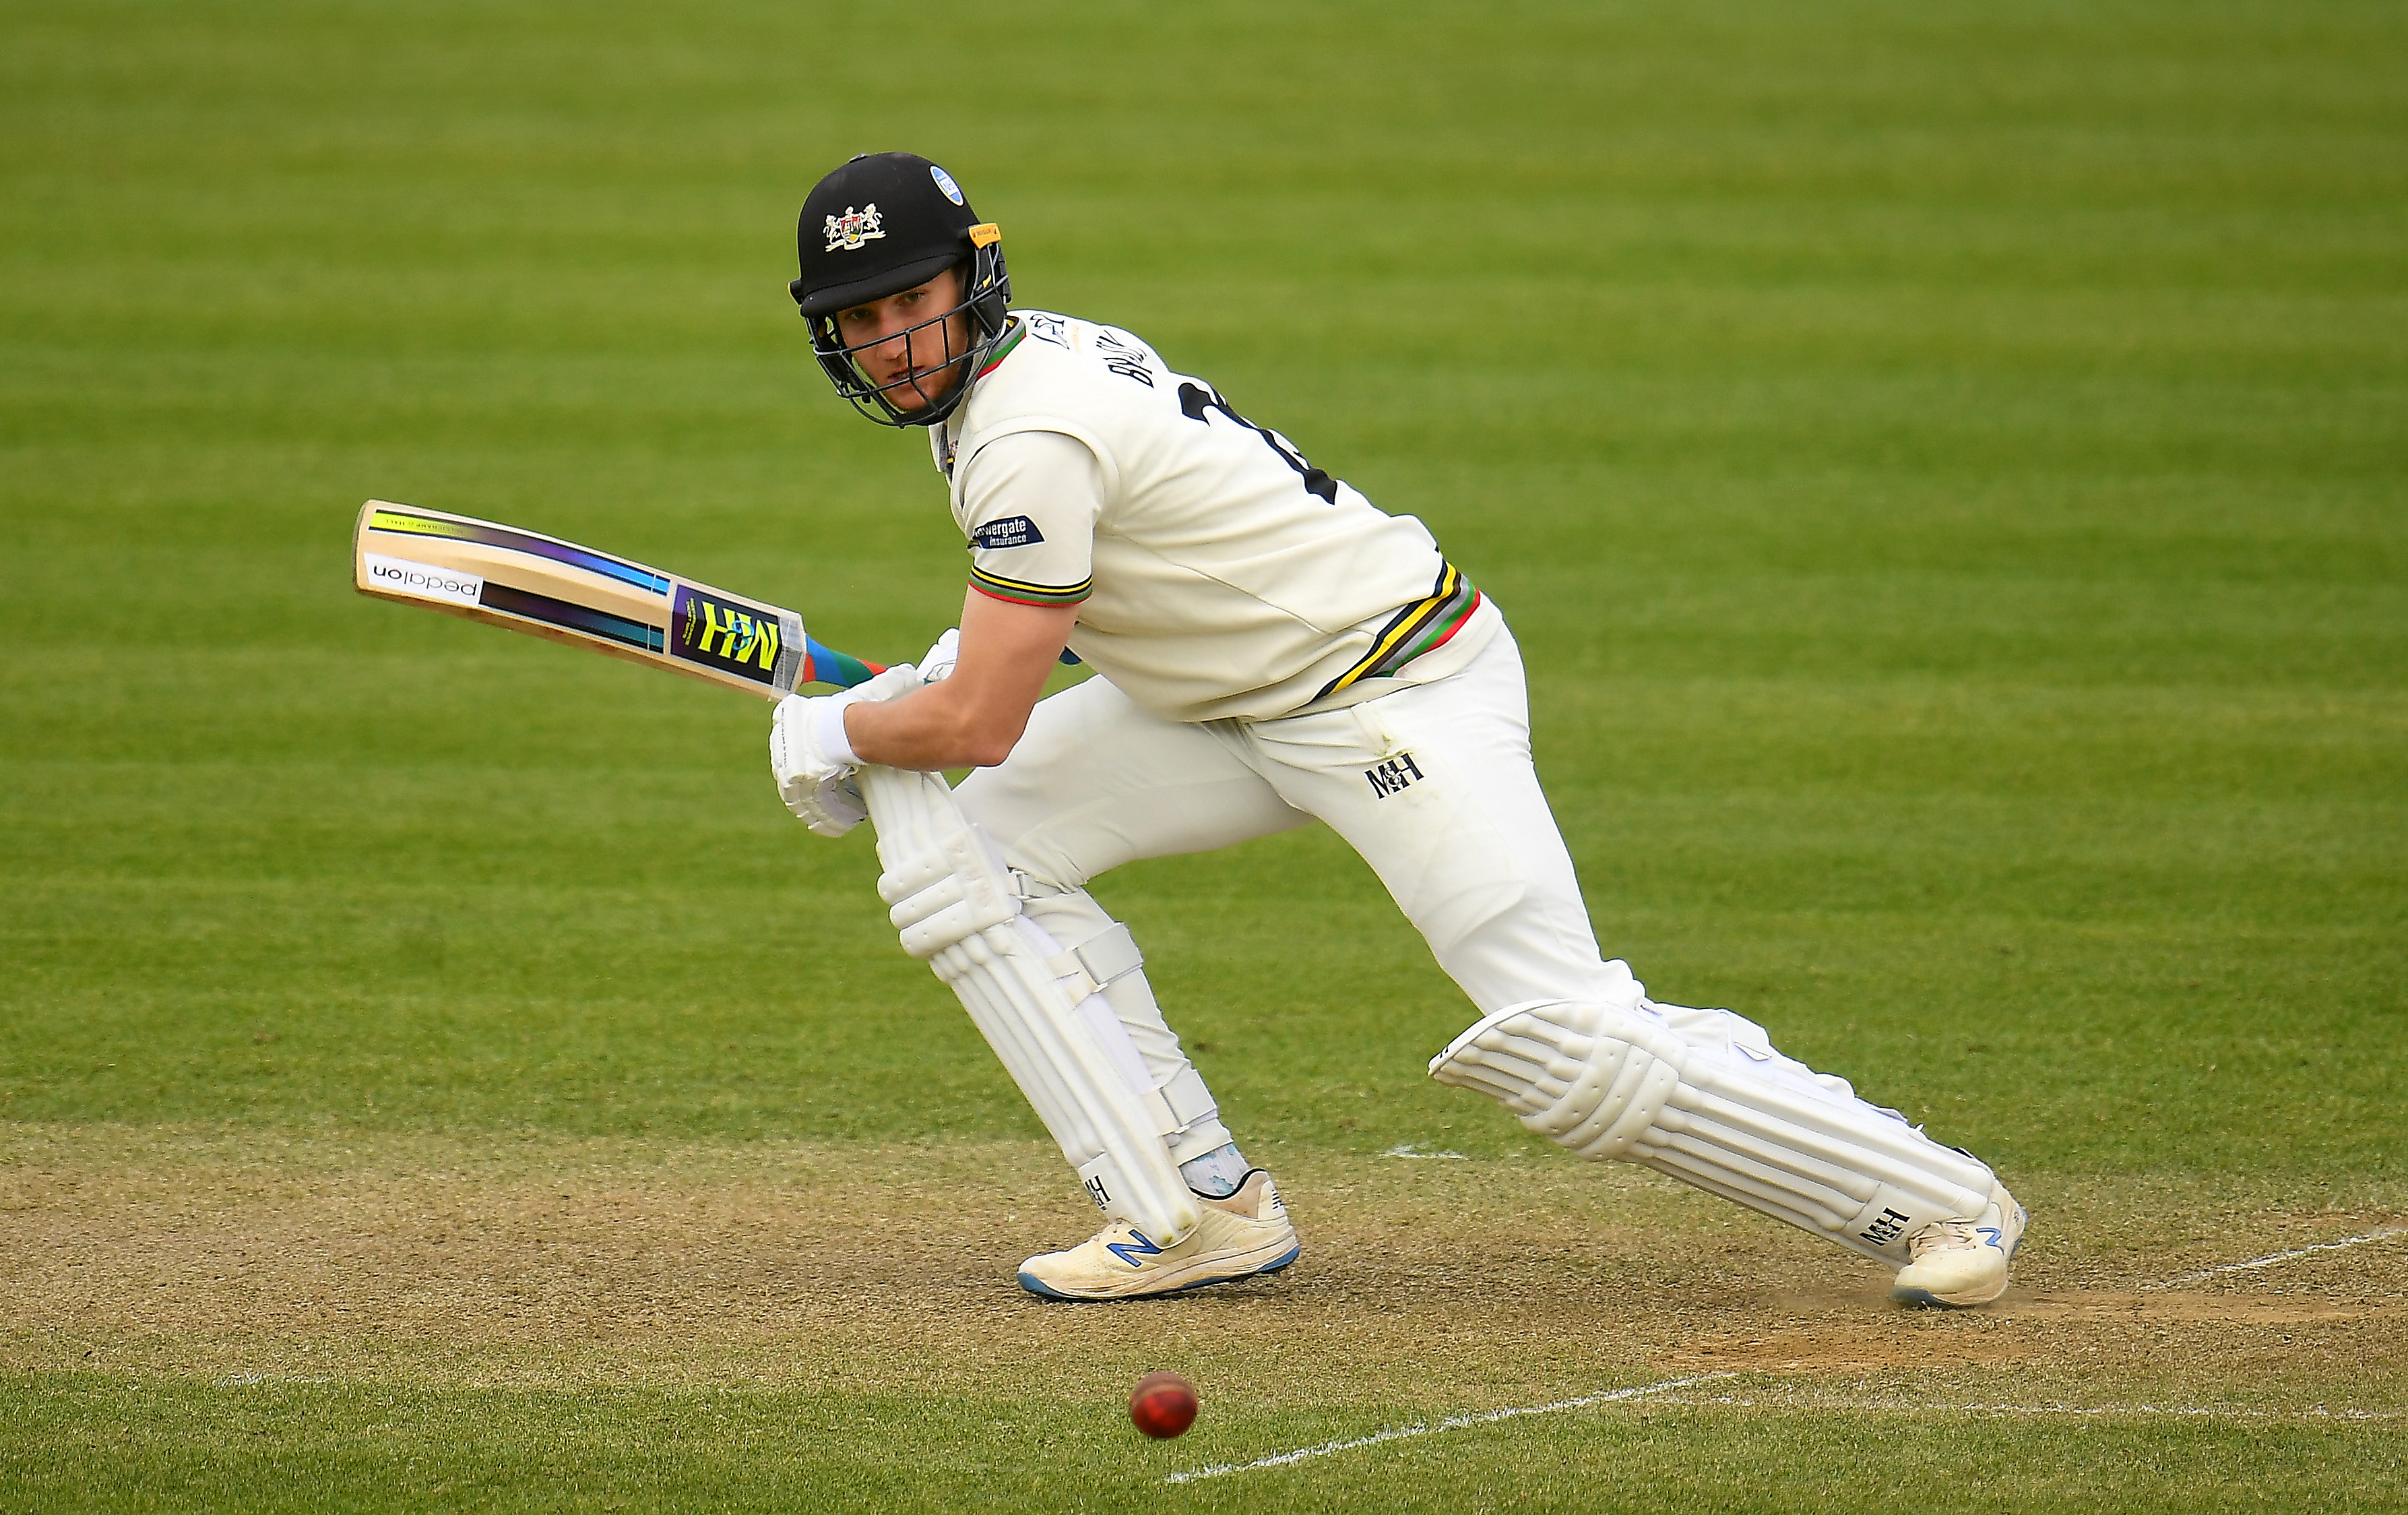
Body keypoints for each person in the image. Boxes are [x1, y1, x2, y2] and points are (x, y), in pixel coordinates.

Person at [767, 152, 2027, 1307]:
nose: (891, 340)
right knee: (975, 846)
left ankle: (1941, 1207)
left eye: (909, 300)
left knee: (1560, 1041)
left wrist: (846, 733)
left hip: (1392, 693)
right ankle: (1192, 1206)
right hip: (1230, 703)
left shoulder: (1024, 431)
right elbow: (1123, 584)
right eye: (860, 318)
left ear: (971, 275)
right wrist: (911, 700)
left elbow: (981, 720)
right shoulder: (1021, 373)